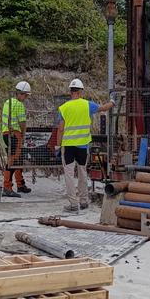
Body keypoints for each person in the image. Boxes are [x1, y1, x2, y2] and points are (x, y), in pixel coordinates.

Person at [57, 78, 114, 214]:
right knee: (82, 173)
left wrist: (57, 147)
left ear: (71, 91)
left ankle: (73, 204)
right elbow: (103, 108)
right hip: (82, 146)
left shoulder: (63, 108)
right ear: (81, 91)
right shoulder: (87, 105)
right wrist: (112, 101)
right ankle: (83, 201)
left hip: (68, 146)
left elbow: (60, 129)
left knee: (69, 175)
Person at [1, 81, 32, 198]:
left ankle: (20, 184)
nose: (26, 98)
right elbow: (22, 123)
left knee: (17, 160)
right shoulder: (19, 105)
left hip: (5, 134)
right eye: (25, 95)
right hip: (14, 134)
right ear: (21, 93)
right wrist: (23, 136)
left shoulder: (7, 102)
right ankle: (7, 187)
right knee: (13, 161)